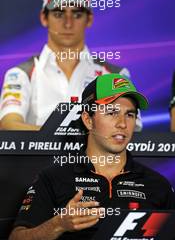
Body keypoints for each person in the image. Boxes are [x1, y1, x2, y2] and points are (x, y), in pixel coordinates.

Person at [9, 73, 175, 240]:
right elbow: (16, 237)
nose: (123, 124)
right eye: (111, 113)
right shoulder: (53, 179)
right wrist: (58, 224)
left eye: (129, 115)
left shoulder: (158, 185)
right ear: (88, 120)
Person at [0, 0, 142, 131]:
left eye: (77, 14)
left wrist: (62, 137)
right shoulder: (20, 74)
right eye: (59, 14)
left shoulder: (116, 76)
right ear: (44, 18)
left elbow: (131, 129)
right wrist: (69, 138)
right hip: (41, 156)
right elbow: (8, 126)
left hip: (98, 156)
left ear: (89, 19)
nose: (68, 23)